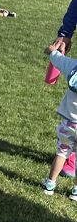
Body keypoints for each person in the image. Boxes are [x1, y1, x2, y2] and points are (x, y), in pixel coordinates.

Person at [42, 39, 77, 198]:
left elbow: (57, 58)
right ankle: (75, 192)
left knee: (62, 153)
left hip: (68, 124)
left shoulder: (72, 66)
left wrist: (51, 51)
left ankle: (50, 184)